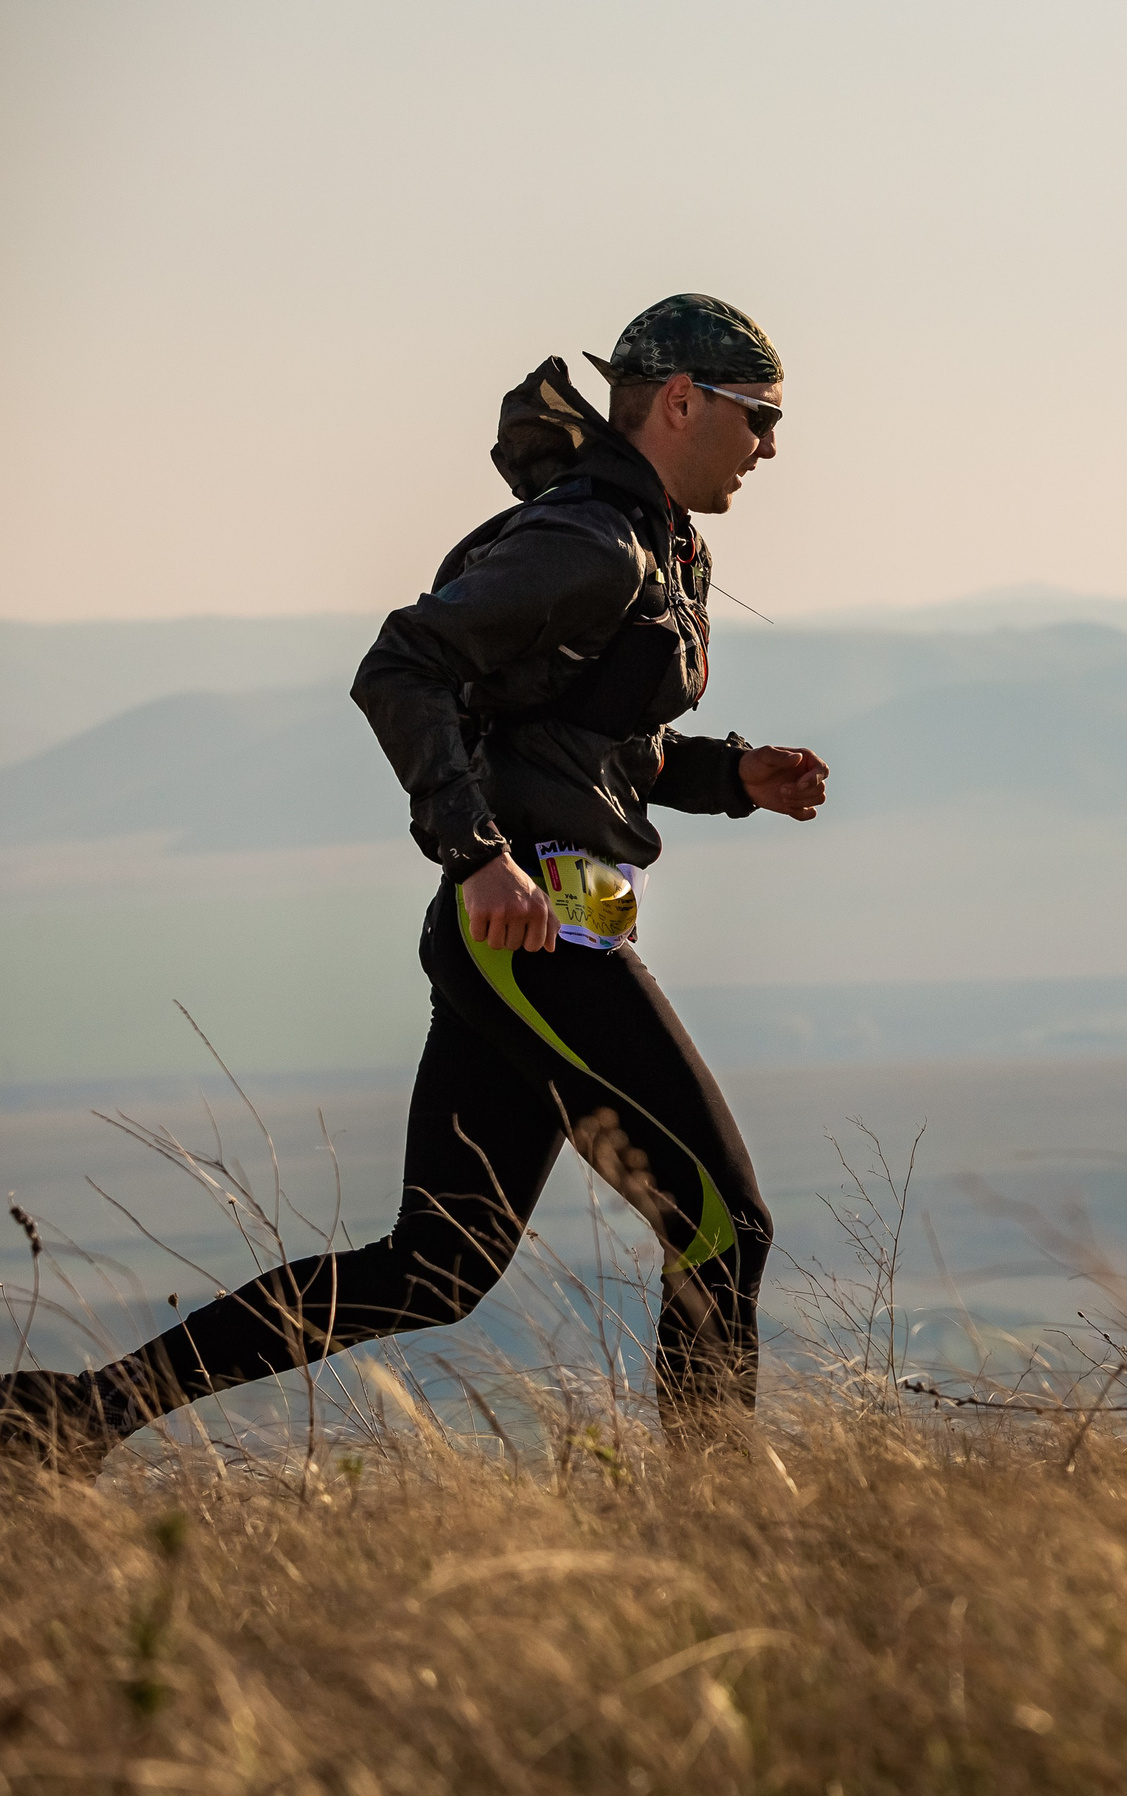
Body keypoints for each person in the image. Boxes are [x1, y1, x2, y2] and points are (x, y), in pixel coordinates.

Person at [0, 294, 829, 1476]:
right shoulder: (587, 542)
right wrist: (475, 853)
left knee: (433, 1266)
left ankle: (62, 1420)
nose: (773, 447)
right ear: (683, 401)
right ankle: (717, 1517)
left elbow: (585, 745)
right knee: (723, 1220)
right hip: (531, 930)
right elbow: (403, 663)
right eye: (761, 417)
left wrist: (732, 775)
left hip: (542, 923)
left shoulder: (652, 545)